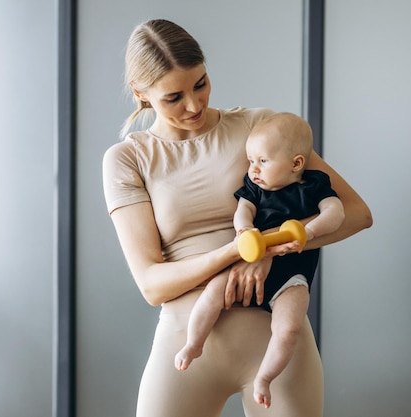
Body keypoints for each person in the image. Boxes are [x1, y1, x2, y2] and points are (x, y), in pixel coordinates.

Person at [102, 18, 372, 417]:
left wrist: (270, 250)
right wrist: (237, 252)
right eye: (173, 97)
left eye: (200, 84)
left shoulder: (258, 129)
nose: (194, 105)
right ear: (141, 94)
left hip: (278, 348)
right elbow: (152, 284)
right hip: (186, 347)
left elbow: (355, 214)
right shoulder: (128, 159)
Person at [174, 112, 345, 409]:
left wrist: (308, 231)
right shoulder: (254, 188)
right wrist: (245, 231)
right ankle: (194, 343)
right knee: (214, 291)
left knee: (289, 327)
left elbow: (337, 212)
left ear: (296, 164)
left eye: (262, 161)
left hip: (291, 279)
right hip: (248, 259)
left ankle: (265, 377)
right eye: (251, 160)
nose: (253, 169)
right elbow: (243, 212)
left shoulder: (314, 186)